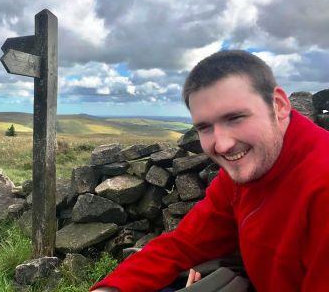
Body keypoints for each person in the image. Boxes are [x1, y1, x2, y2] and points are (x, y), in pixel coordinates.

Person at [90, 50, 329, 292]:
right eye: (205, 127)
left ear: (278, 105)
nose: (222, 144)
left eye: (235, 117)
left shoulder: (321, 185)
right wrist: (111, 289)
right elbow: (185, 244)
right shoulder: (245, 171)